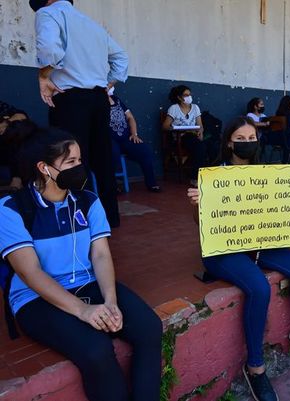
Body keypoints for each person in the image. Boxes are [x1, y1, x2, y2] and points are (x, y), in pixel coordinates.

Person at [0, 127, 162, 401]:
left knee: (149, 328)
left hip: (87, 283)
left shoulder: (88, 201)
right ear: (44, 168)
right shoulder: (12, 208)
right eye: (71, 162)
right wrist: (83, 311)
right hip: (35, 298)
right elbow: (30, 272)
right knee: (96, 350)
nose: (80, 167)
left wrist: (110, 301)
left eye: (80, 160)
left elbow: (100, 255)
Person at [187, 117, 290, 401]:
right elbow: (199, 222)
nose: (246, 143)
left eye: (251, 137)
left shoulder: (268, 175)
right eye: (240, 138)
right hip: (223, 249)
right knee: (259, 287)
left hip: (260, 242)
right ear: (229, 142)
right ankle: (255, 367)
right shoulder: (214, 175)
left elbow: (285, 207)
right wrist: (198, 203)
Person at [30, 0, 128, 228]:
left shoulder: (48, 12)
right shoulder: (92, 25)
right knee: (101, 160)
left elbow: (50, 50)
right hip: (98, 99)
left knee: (68, 160)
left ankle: (78, 219)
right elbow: (121, 57)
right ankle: (108, 219)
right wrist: (107, 83)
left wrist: (44, 77)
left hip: (70, 99)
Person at [108, 88, 160, 192]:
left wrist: (134, 134)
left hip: (127, 138)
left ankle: (151, 183)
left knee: (144, 150)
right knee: (113, 152)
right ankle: (113, 185)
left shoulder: (117, 100)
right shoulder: (96, 103)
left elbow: (130, 117)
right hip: (109, 140)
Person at [162, 85, 208, 182]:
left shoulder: (195, 108)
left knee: (207, 146)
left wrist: (201, 132)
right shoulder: (174, 108)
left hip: (194, 136)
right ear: (179, 97)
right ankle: (195, 177)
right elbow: (165, 126)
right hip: (181, 137)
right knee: (199, 147)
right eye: (186, 95)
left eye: (190, 94)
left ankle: (205, 176)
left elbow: (200, 125)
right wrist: (175, 128)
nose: (189, 97)